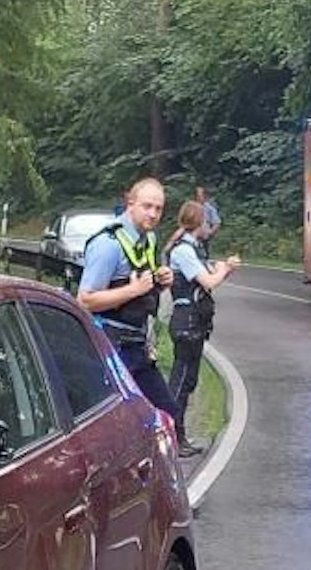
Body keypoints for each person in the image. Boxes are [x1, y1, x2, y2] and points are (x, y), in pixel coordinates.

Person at [79, 178, 179, 422]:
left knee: (166, 415)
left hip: (138, 344)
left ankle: (168, 452)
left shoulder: (148, 240)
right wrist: (134, 290)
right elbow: (85, 301)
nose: (153, 214)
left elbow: (144, 286)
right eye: (147, 206)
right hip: (109, 347)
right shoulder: (108, 244)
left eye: (158, 208)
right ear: (130, 203)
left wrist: (161, 280)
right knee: (120, 421)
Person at [164, 199, 241, 456]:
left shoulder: (194, 248)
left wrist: (225, 270)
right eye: (208, 221)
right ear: (198, 222)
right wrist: (224, 270)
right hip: (186, 321)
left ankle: (179, 435)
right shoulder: (184, 251)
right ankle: (173, 436)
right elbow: (208, 281)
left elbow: (209, 278)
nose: (211, 225)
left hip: (195, 322)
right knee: (181, 380)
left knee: (188, 381)